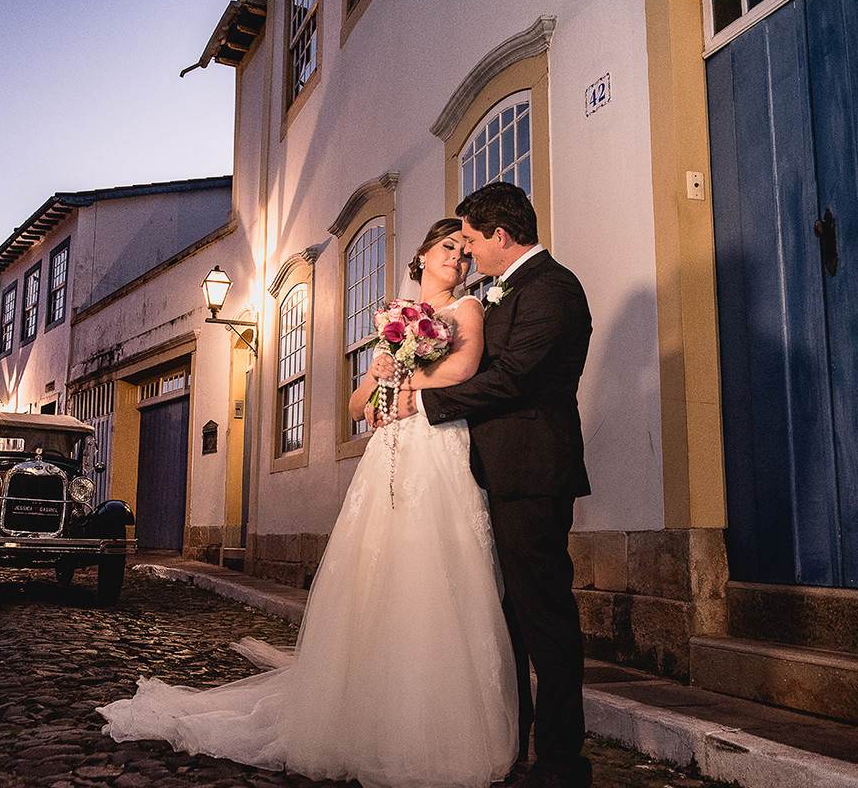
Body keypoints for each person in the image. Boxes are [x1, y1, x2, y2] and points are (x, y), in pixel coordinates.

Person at [97, 218, 519, 788]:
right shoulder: (394, 317)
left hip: (437, 447)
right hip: (389, 451)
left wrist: (406, 378)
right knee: (376, 574)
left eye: (465, 254)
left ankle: (433, 723)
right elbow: (353, 405)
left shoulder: (466, 311)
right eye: (449, 249)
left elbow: (462, 370)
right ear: (421, 255)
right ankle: (366, 710)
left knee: (434, 569)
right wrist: (379, 375)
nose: (459, 261)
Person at [389, 182, 593, 788]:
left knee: (545, 620)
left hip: (532, 472)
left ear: (500, 237)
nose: (469, 253)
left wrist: (424, 404)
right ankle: (510, 748)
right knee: (504, 622)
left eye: (473, 241)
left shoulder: (553, 290)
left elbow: (512, 380)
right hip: (495, 475)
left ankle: (560, 764)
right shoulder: (507, 291)